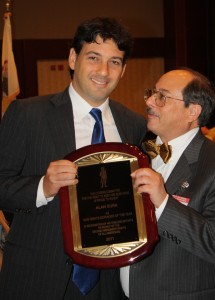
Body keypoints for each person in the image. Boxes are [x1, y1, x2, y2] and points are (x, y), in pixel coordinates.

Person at [0, 17, 147, 300]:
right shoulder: (27, 115)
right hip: (38, 276)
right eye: (94, 57)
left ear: (124, 69)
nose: (103, 71)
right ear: (72, 58)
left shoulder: (135, 126)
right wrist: (43, 186)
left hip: (110, 281)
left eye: (115, 62)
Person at [119, 68, 215, 299]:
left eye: (162, 96)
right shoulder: (137, 154)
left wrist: (163, 202)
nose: (149, 100)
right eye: (152, 93)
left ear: (192, 111)